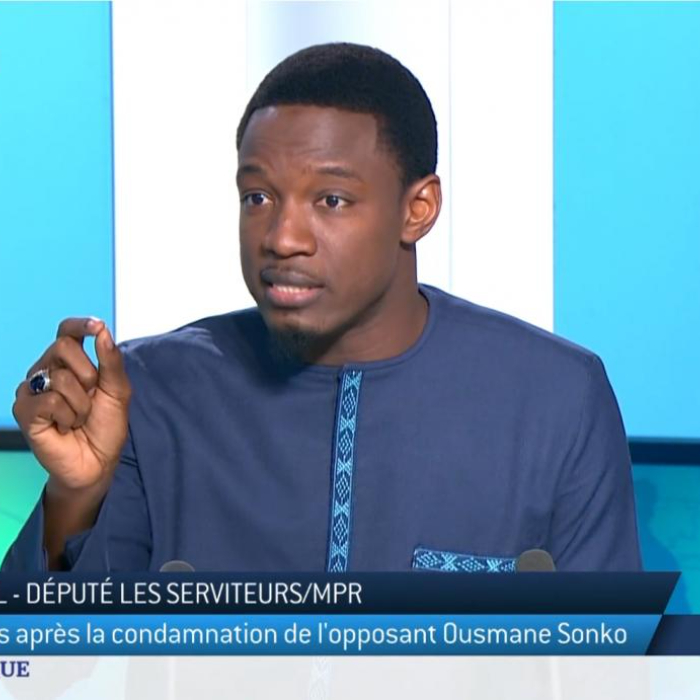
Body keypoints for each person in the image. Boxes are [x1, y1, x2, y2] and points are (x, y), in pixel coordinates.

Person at [3, 43, 642, 573]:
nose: (282, 238)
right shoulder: (150, 391)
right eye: (257, 197)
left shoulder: (557, 398)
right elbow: (41, 660)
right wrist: (75, 498)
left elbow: (611, 665)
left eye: (331, 200)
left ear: (418, 210)